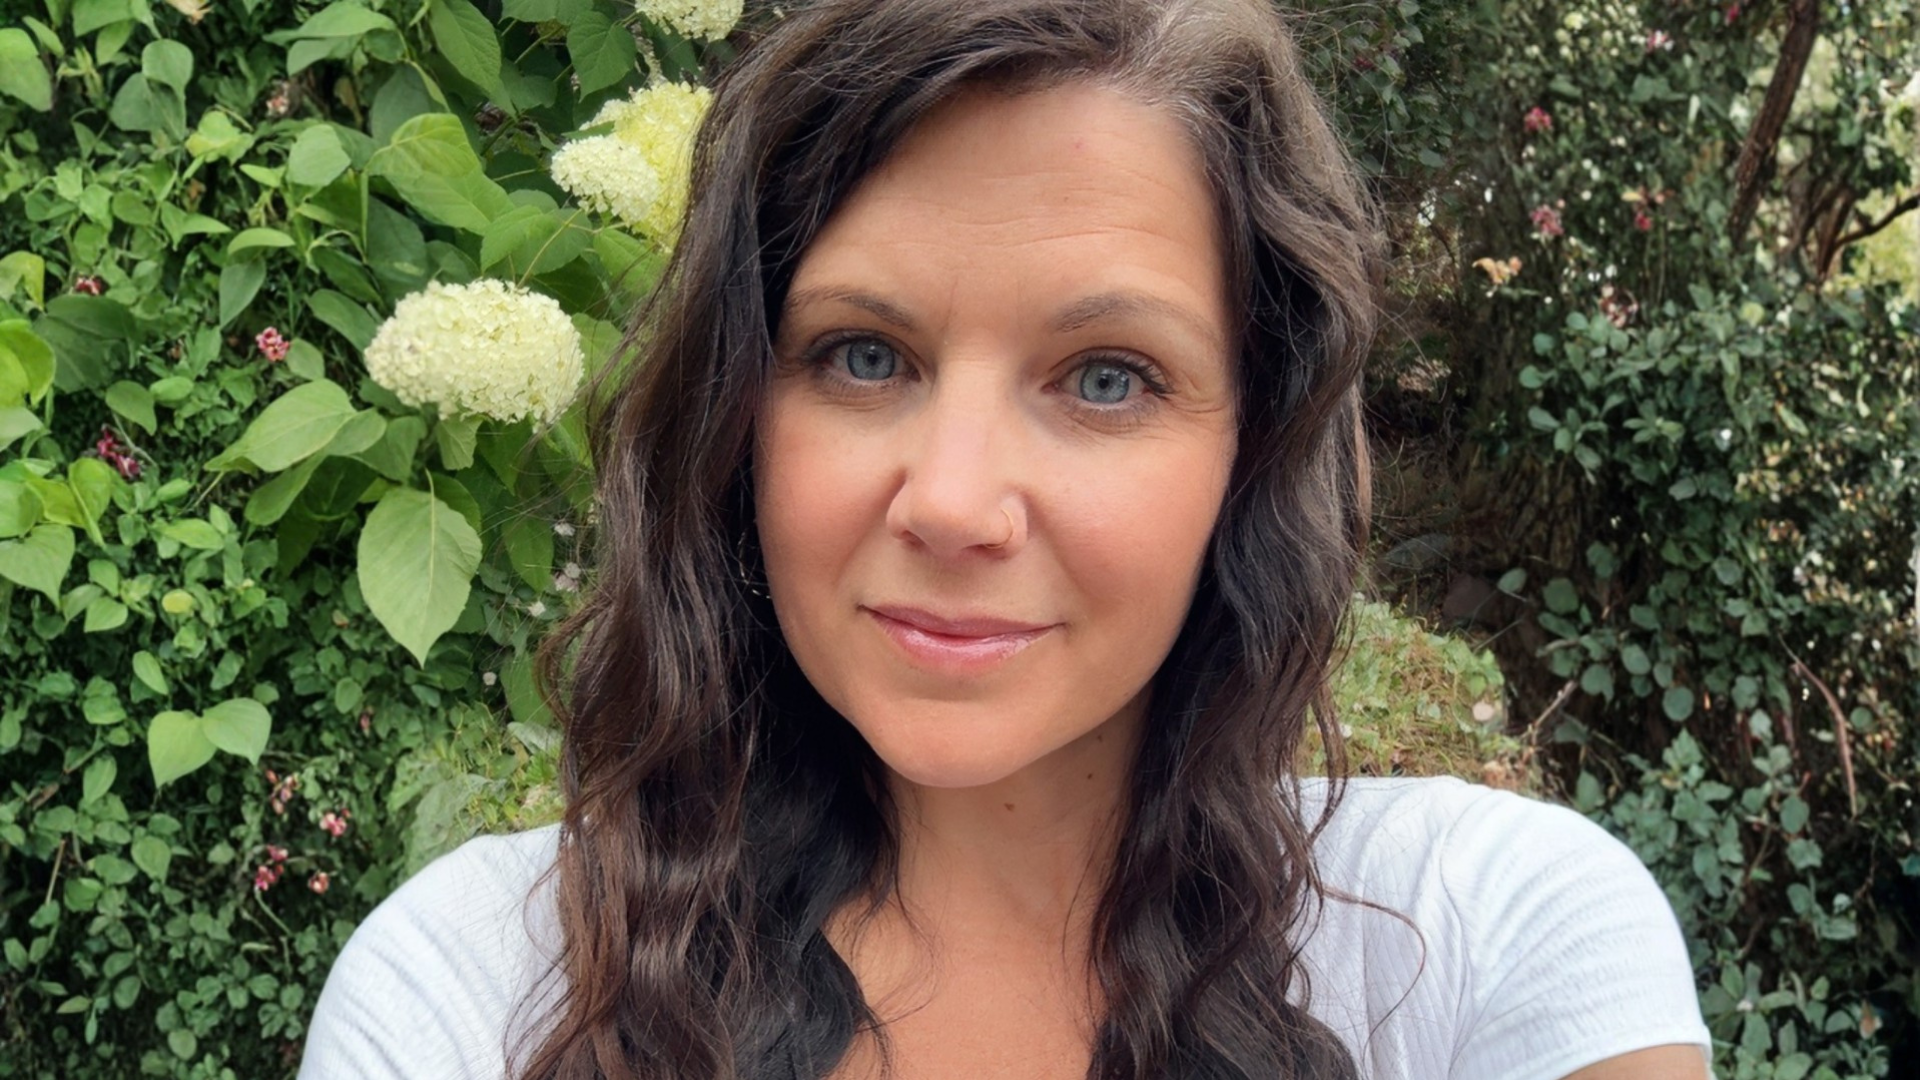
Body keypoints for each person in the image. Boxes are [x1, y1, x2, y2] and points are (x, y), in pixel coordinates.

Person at [299, 1, 1713, 1077]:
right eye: (863, 356)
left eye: (1107, 378)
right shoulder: (473, 997)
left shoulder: (1474, 944)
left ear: (1254, 448)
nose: (955, 503)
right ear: (735, 418)